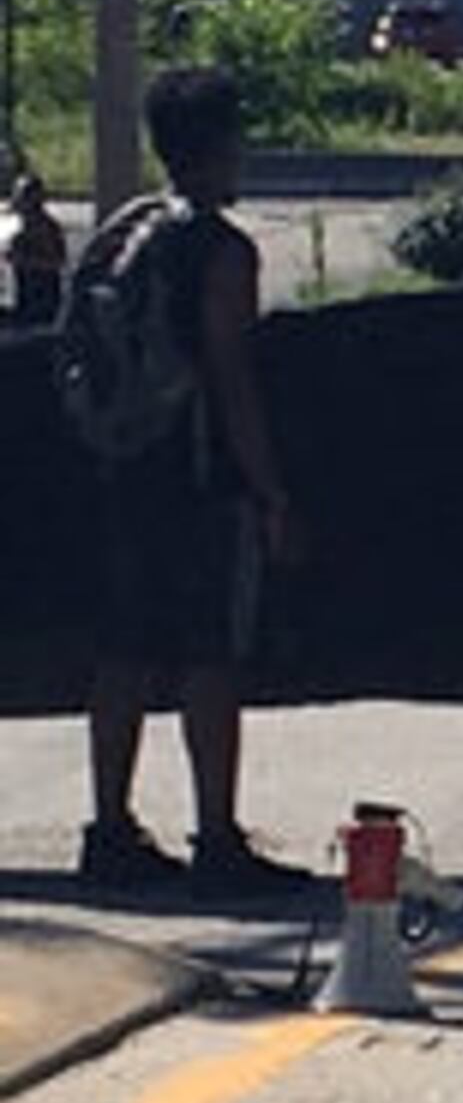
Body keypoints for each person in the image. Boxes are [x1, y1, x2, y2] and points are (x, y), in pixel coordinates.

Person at [70, 68, 307, 896]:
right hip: (202, 473)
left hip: (123, 461)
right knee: (212, 653)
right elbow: (231, 375)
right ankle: (215, 833)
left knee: (124, 649)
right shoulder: (220, 250)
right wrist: (271, 489)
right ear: (221, 146)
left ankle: (108, 825)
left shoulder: (124, 236)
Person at [4, 171, 64, 328]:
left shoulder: (45, 229)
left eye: (21, 196)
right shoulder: (21, 232)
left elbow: (56, 263)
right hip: (23, 303)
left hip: (40, 307)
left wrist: (24, 259)